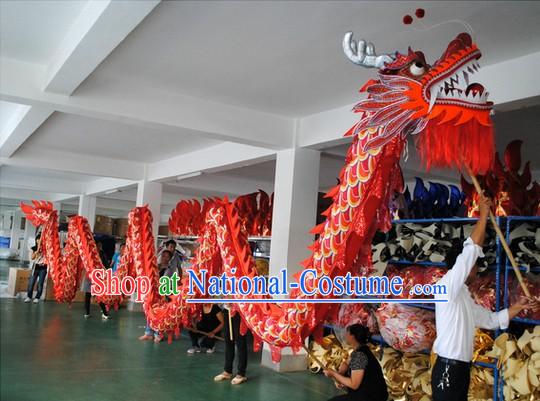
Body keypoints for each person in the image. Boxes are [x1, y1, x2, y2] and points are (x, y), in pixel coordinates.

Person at [431, 196, 540, 401]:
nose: (478, 268)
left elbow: (491, 320)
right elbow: (469, 253)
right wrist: (483, 217)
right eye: (474, 265)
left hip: (460, 369)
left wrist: (518, 306)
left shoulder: (462, 296)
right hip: (448, 368)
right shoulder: (445, 287)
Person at [323, 324, 388, 401]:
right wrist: (340, 374)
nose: (344, 335)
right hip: (368, 394)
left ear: (352, 336)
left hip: (372, 397)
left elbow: (354, 385)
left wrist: (334, 374)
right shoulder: (359, 350)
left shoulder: (359, 356)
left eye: (347, 333)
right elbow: (346, 363)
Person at [213, 305, 248, 385]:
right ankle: (227, 371)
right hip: (227, 309)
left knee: (240, 341)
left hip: (239, 310)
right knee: (228, 341)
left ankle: (241, 373)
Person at [24, 234, 48, 304]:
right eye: (38, 239)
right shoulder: (34, 248)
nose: (39, 240)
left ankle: (37, 297)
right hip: (35, 267)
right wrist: (36, 252)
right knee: (31, 283)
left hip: (43, 268)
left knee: (40, 284)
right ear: (36, 240)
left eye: (41, 239)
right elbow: (32, 258)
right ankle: (29, 297)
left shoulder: (46, 249)